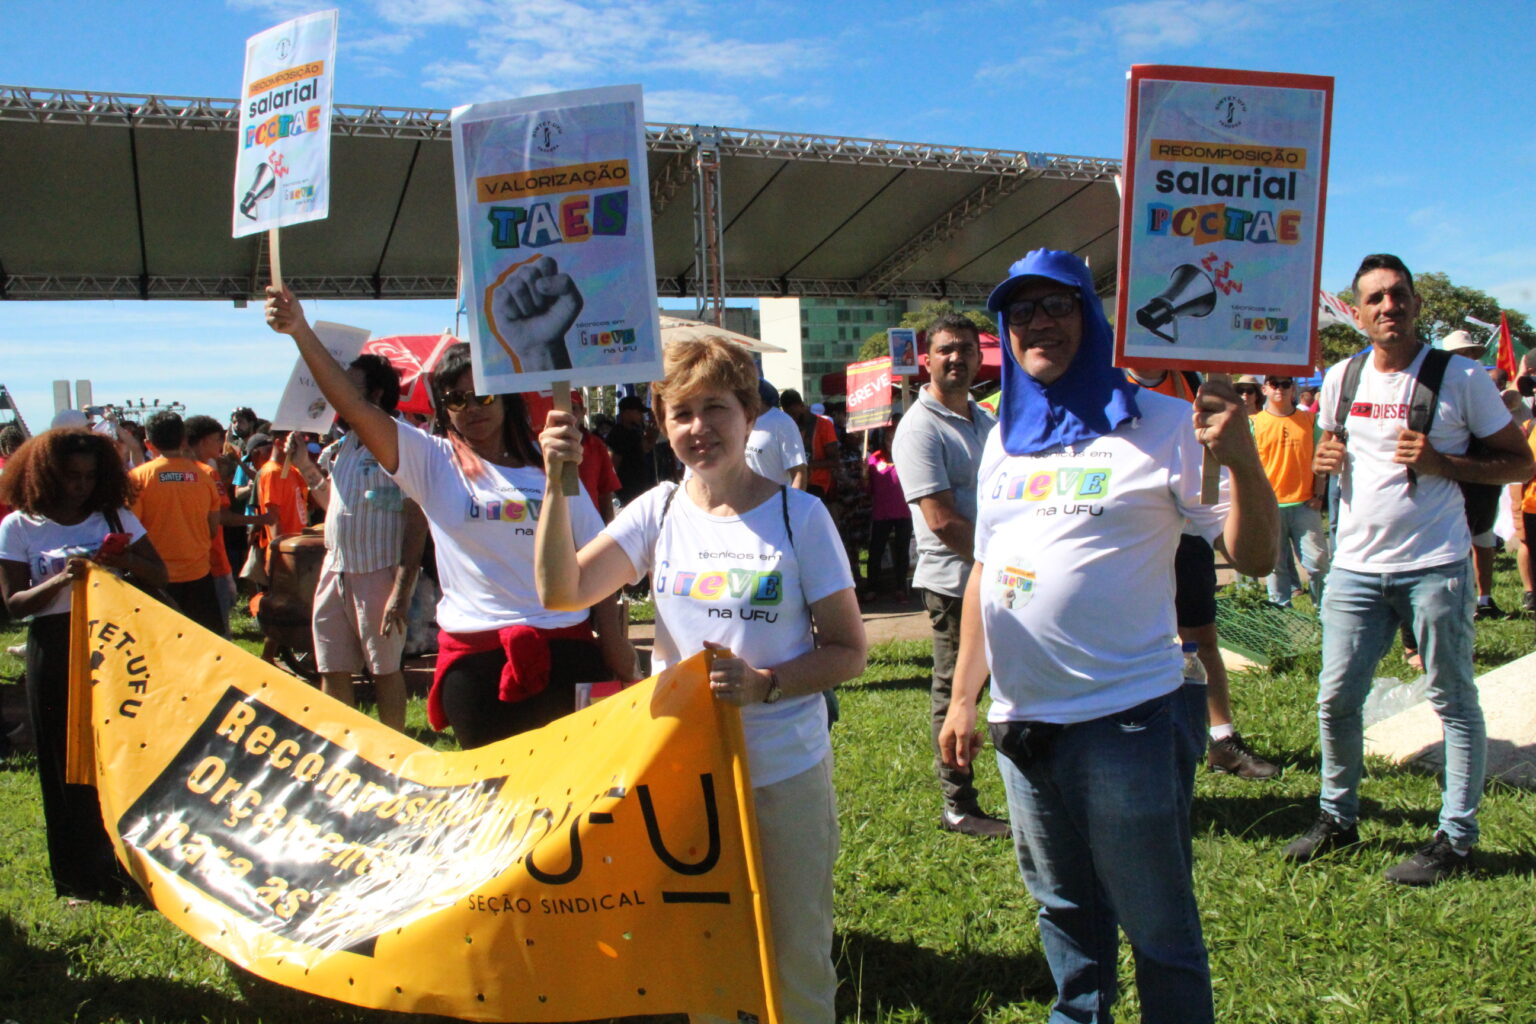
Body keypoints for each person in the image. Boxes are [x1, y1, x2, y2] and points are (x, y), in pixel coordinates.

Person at [939, 249, 1278, 1023]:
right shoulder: (1003, 438)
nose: (1038, 324)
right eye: (1020, 311)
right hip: (1024, 725)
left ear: (1089, 318)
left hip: (1128, 718)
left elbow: (1253, 557)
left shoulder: (1162, 423)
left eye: (1055, 306)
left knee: (1158, 928)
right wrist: (964, 699)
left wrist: (1246, 465)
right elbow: (986, 572)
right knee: (1065, 918)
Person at [535, 333, 865, 1024]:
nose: (698, 429)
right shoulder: (657, 511)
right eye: (680, 413)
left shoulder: (799, 517)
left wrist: (765, 682)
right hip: (688, 782)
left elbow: (847, 651)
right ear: (662, 423)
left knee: (795, 958)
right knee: (706, 957)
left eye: (715, 408)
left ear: (748, 414)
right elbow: (561, 592)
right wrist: (555, 483)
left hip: (782, 771)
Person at [265, 287, 635, 749]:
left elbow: (594, 563)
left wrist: (617, 648)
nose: (471, 410)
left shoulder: (551, 470)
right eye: (455, 399)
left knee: (577, 792)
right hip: (478, 663)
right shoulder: (433, 462)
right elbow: (358, 410)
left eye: (482, 397)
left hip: (570, 651)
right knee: (496, 800)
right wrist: (300, 331)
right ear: (443, 407)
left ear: (506, 400)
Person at [1284, 254, 1534, 885]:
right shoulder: (1342, 377)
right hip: (1355, 570)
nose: (1388, 307)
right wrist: (1325, 455)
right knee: (1335, 699)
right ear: (1359, 313)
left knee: (1453, 700)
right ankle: (1337, 818)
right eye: (1375, 299)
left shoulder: (1462, 379)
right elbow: (1333, 456)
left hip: (1436, 568)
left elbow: (1519, 465)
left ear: (1416, 304)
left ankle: (1456, 838)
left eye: (1398, 295)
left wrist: (1448, 464)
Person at [0, 427, 169, 903]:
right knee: (61, 761)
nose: (79, 485)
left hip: (113, 643)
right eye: (70, 476)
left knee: (116, 755)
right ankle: (76, 879)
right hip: (54, 646)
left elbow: (162, 573)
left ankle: (126, 866)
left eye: (89, 476)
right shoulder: (19, 526)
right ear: (46, 474)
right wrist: (62, 581)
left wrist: (123, 556)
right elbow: (13, 604)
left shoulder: (113, 515)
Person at [1127, 367, 1281, 780]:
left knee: (1201, 640)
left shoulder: (1192, 378)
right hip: (1137, 535)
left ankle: (1221, 739)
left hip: (1191, 532)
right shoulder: (1113, 380)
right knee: (1139, 639)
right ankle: (1143, 739)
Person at [891, 312, 1008, 838]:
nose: (956, 358)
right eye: (945, 350)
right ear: (926, 360)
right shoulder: (919, 428)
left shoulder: (984, 420)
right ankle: (958, 805)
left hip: (1001, 576)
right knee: (956, 692)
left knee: (1003, 685)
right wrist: (998, 563)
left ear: (979, 357)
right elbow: (940, 520)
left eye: (964, 348)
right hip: (955, 582)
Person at [289, 355, 429, 733]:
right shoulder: (345, 445)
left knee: (384, 668)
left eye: (347, 384)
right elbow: (334, 503)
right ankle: (344, 746)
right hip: (335, 571)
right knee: (332, 667)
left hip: (379, 571)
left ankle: (394, 748)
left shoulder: (400, 441)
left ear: (376, 393)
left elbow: (416, 518)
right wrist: (304, 465)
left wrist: (402, 590)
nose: (334, 390)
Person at [128, 411, 225, 635]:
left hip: (156, 579)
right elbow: (212, 529)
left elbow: (132, 531)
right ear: (183, 440)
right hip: (199, 576)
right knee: (204, 648)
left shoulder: (137, 478)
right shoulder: (205, 477)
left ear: (148, 443)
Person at [1437, 330, 1510, 620]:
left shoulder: (1482, 384)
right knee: (1459, 540)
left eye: (1470, 353)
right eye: (1461, 353)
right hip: (1455, 476)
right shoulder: (1440, 387)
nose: (1467, 358)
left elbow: (1510, 406)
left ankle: (1484, 599)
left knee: (1484, 537)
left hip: (1486, 476)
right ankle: (1462, 601)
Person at [185, 414, 274, 636]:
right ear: (204, 441)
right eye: (217, 439)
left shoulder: (173, 471)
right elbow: (221, 517)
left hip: (185, 562)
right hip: (212, 561)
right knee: (219, 632)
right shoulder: (207, 473)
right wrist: (260, 519)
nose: (221, 445)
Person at [1254, 374, 1330, 608]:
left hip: (1305, 504)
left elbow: (1321, 459)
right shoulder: (1253, 423)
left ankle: (1324, 612)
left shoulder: (1310, 420)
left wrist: (1319, 495)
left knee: (1317, 563)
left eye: (1286, 384)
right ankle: (1280, 613)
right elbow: (1248, 468)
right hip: (1269, 506)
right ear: (1265, 389)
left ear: (1293, 389)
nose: (1280, 388)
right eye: (1274, 384)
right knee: (1275, 565)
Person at [864, 421, 911, 602]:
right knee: (876, 550)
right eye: (888, 438)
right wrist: (864, 475)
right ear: (884, 440)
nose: (891, 442)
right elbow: (868, 489)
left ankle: (900, 588)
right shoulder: (874, 458)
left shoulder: (907, 456)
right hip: (881, 512)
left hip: (903, 512)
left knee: (902, 551)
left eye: (894, 438)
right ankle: (871, 588)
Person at [569, 391, 622, 523]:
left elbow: (605, 494)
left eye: (573, 408)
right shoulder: (540, 446)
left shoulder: (597, 446)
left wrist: (607, 530)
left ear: (583, 412)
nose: (568, 414)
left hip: (590, 530)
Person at [746, 379, 808, 489]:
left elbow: (799, 473)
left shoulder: (782, 422)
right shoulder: (736, 421)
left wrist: (791, 505)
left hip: (776, 503)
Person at [781, 389, 841, 499]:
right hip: (793, 484)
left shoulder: (824, 425)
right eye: (788, 415)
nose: (793, 419)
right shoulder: (787, 426)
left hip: (817, 486)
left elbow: (834, 460)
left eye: (794, 414)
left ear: (802, 406)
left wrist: (804, 466)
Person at [606, 395, 658, 504]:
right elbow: (612, 463)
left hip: (640, 490)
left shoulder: (634, 431)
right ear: (627, 413)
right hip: (627, 491)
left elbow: (645, 449)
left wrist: (652, 433)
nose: (641, 416)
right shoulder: (618, 433)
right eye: (638, 412)